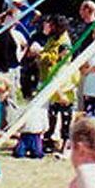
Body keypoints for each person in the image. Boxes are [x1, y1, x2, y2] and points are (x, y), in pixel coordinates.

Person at [39, 15, 78, 155]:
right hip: (51, 85)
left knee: (65, 120)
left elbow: (73, 80)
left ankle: (63, 145)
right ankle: (48, 141)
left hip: (63, 93)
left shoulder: (64, 43)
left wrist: (62, 92)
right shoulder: (52, 39)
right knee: (51, 117)